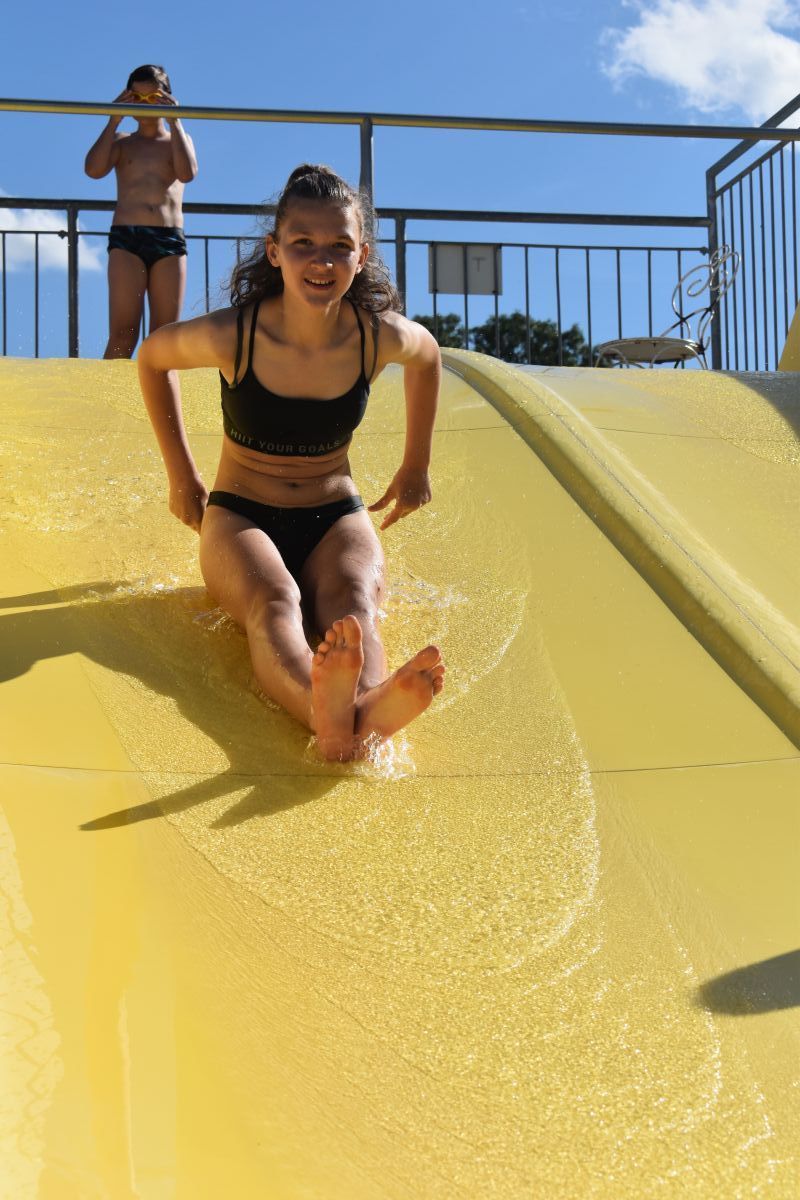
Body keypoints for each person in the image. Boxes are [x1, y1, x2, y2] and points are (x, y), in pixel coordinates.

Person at [137, 164, 445, 761]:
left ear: (361, 257)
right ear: (275, 252)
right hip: (242, 515)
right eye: (303, 242)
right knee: (274, 601)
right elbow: (152, 357)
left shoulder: (373, 336)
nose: (321, 260)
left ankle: (361, 708)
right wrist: (182, 476)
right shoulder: (238, 335)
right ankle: (324, 710)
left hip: (334, 513)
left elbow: (428, 356)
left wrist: (416, 468)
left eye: (339, 246)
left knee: (354, 601)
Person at [85, 65, 198, 359]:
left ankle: (157, 390)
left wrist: (176, 122)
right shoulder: (122, 141)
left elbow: (187, 173)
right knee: (123, 333)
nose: (145, 105)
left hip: (168, 241)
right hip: (127, 240)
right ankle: (109, 390)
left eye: (153, 98)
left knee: (164, 336)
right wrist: (113, 119)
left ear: (167, 99)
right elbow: (93, 170)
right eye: (138, 98)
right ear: (127, 98)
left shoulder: (178, 140)